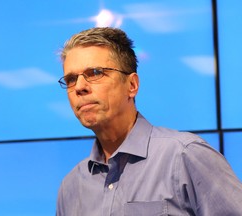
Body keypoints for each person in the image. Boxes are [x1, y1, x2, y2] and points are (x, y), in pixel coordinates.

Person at [56, 27, 242, 216]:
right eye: (71, 79)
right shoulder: (71, 187)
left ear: (132, 85)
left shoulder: (185, 156)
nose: (79, 87)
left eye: (95, 73)